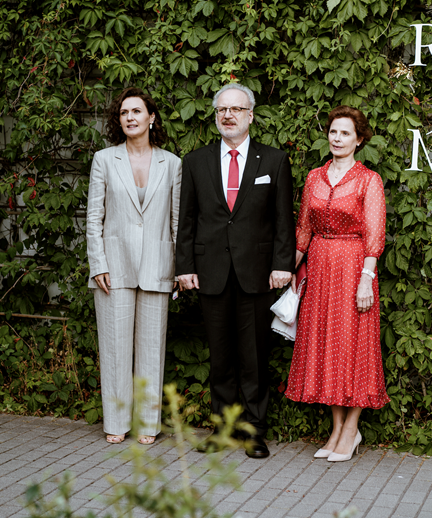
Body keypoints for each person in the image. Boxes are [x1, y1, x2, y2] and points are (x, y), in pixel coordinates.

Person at [175, 83, 295, 458]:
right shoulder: (195, 162)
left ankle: (255, 431)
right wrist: (184, 267)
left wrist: (281, 265)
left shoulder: (273, 161)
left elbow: (282, 221)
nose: (228, 115)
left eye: (236, 109)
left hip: (257, 274)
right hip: (210, 273)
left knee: (255, 356)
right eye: (222, 110)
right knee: (221, 355)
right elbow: (188, 220)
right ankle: (222, 428)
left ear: (250, 116)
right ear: (215, 116)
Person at [285, 105, 389, 462]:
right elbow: (303, 231)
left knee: (354, 348)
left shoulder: (368, 180)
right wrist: (287, 272)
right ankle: (336, 430)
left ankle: (350, 431)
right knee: (326, 346)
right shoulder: (314, 177)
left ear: (359, 140)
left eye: (346, 133)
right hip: (320, 268)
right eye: (333, 132)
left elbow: (375, 235)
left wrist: (366, 281)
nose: (338, 138)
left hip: (353, 269)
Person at [86, 87, 182, 445]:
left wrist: (177, 268)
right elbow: (94, 216)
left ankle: (147, 424)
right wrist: (98, 263)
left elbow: (175, 223)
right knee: (114, 346)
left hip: (158, 265)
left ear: (151, 117)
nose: (129, 117)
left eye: (136, 111)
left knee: (151, 348)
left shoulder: (172, 163)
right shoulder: (104, 159)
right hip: (114, 266)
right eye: (124, 112)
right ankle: (116, 420)